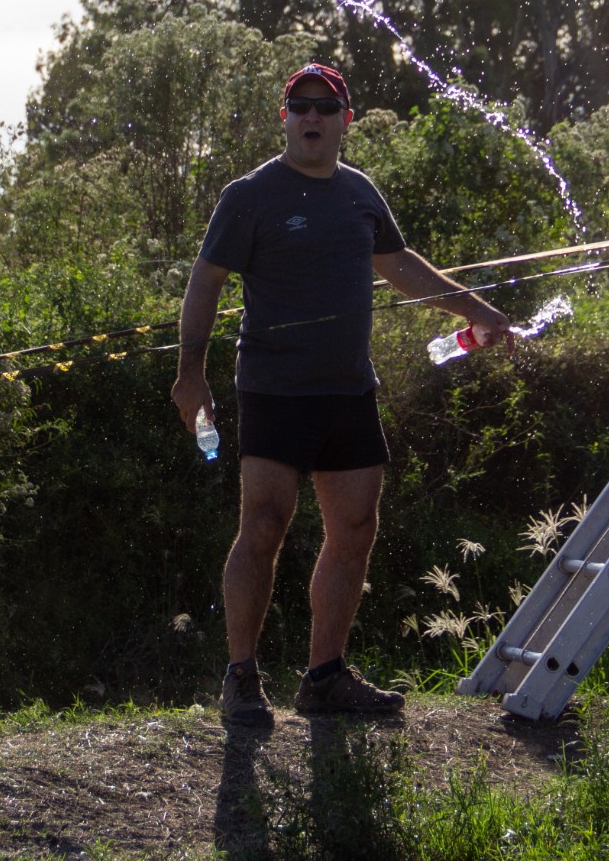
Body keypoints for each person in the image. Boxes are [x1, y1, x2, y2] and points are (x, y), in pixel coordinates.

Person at [172, 62, 511, 726]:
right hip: (273, 388)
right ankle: (241, 677)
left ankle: (324, 676)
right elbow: (206, 280)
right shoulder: (250, 195)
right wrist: (190, 372)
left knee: (354, 529)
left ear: (345, 120)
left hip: (349, 391)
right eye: (300, 107)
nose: (313, 118)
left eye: (326, 108)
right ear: (285, 118)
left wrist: (477, 312)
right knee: (263, 526)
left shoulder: (359, 193)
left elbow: (402, 265)